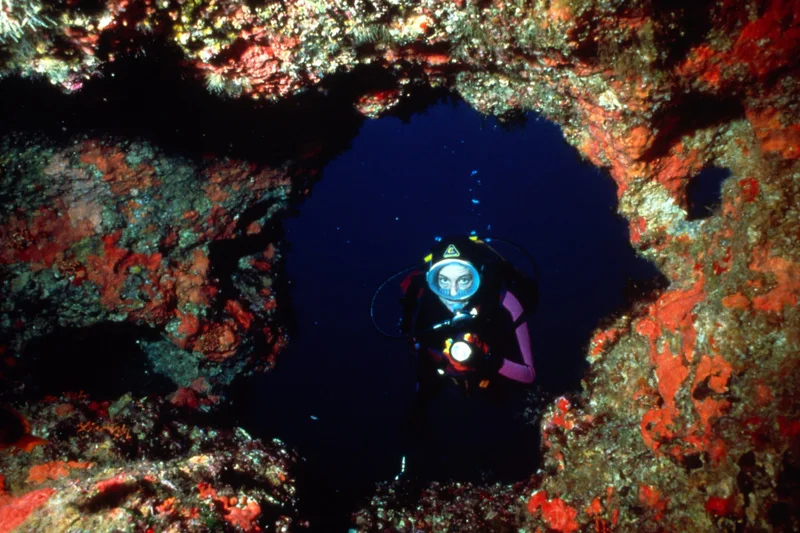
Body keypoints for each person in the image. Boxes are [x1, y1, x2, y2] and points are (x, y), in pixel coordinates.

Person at [398, 235, 536, 438]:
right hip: (438, 374)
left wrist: (486, 361)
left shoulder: (505, 303)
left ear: (479, 277)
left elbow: (529, 375)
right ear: (432, 281)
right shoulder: (421, 303)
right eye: (443, 281)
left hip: (490, 381)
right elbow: (414, 347)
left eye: (464, 280)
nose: (454, 294)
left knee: (503, 413)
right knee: (420, 408)